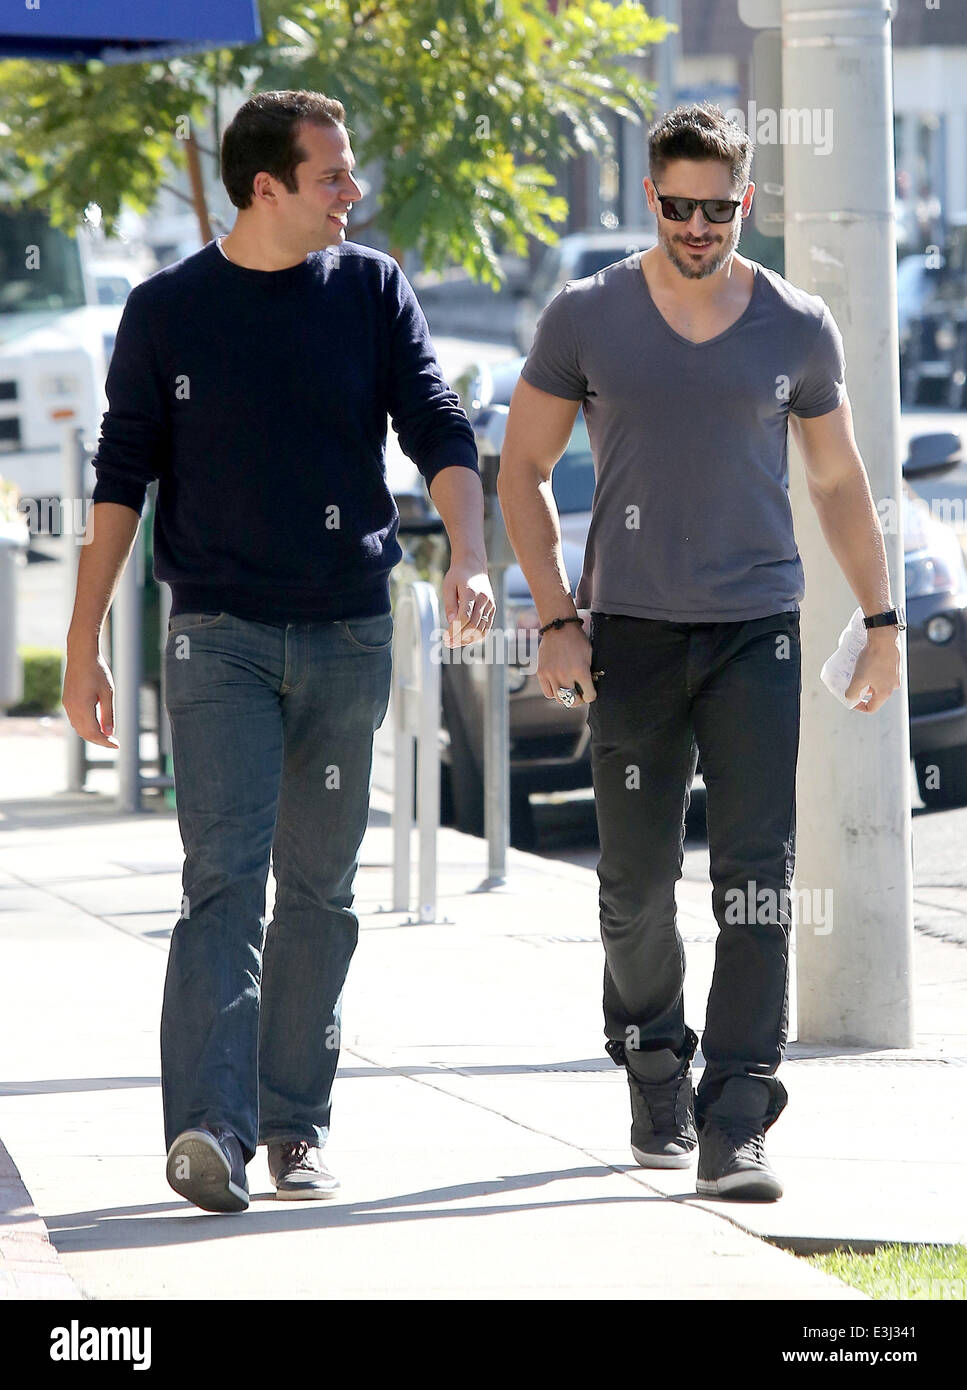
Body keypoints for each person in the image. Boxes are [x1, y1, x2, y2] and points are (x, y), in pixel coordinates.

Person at [63, 90, 494, 1213]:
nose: (354, 192)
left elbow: (438, 423)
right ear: (267, 187)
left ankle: (294, 1124)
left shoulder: (370, 289)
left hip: (350, 630)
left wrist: (473, 557)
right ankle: (213, 1128)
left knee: (321, 893)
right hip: (218, 641)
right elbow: (119, 482)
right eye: (334, 176)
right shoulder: (167, 311)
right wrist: (83, 647)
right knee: (222, 885)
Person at [496, 103, 902, 1202]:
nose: (695, 226)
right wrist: (554, 611)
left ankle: (737, 1112)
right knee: (631, 883)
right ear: (650, 200)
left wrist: (878, 621)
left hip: (755, 632)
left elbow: (835, 482)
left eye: (716, 209)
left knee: (755, 882)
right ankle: (653, 1062)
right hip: (626, 631)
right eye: (677, 206)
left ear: (746, 205)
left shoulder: (794, 325)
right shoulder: (587, 316)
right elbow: (521, 467)